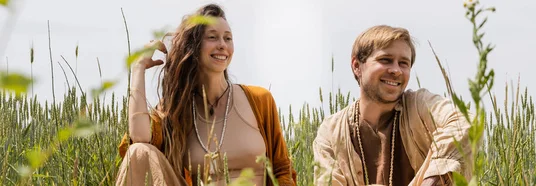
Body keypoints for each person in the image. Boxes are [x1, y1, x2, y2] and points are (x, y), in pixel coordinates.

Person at [115, 4, 297, 186]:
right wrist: (138, 69)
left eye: (228, 38)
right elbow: (139, 138)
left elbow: (282, 169)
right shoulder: (177, 109)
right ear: (193, 46)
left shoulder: (259, 100)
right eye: (212, 37)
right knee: (137, 151)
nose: (222, 45)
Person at [312, 25, 473, 186]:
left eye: (404, 63)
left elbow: (465, 123)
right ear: (356, 66)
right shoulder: (332, 132)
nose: (396, 70)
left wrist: (432, 179)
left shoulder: (420, 106)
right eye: (385, 60)